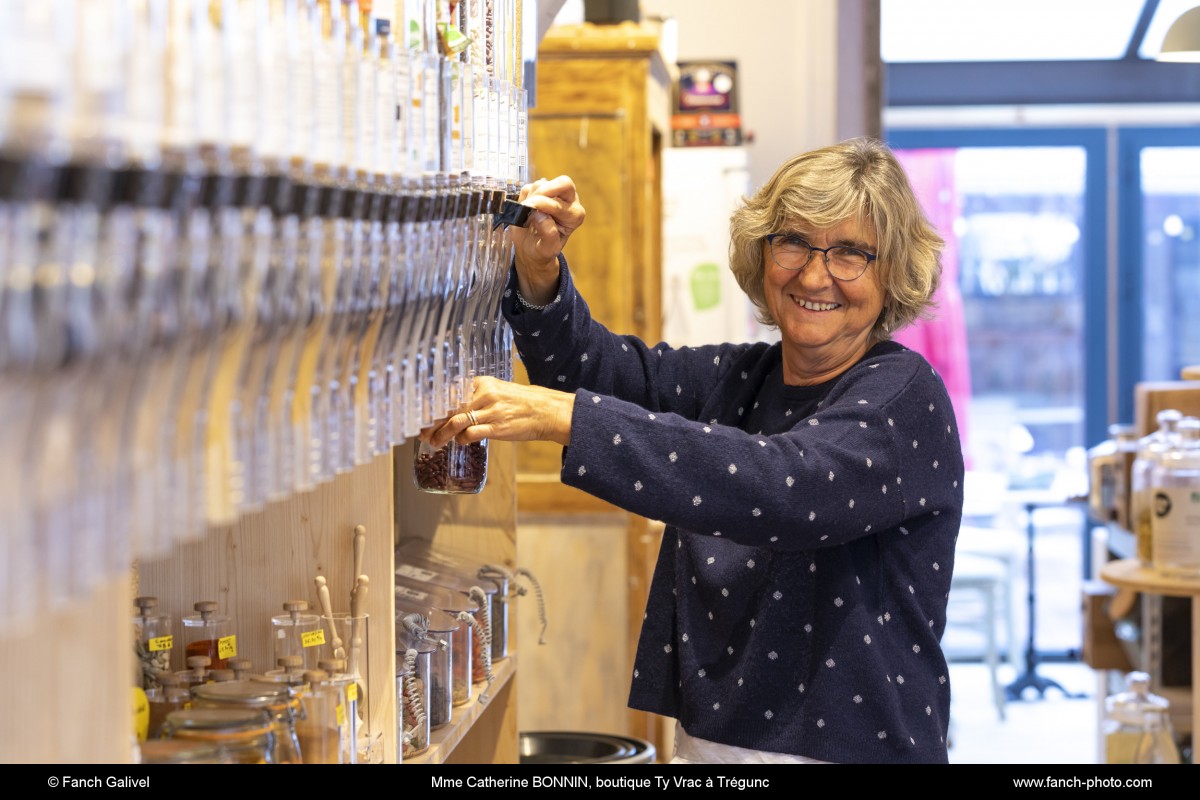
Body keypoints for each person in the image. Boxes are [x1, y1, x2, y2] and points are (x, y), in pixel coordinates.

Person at [423, 137, 964, 764]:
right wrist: (540, 271)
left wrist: (570, 419)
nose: (815, 275)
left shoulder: (904, 397)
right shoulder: (742, 378)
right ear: (761, 255)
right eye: (793, 242)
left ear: (892, 272)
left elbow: (786, 488)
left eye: (850, 253)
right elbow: (597, 371)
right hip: (709, 745)